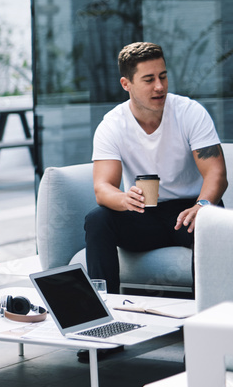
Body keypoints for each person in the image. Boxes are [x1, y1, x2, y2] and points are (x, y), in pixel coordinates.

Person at [85, 42, 227, 294]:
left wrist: (202, 205)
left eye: (163, 76)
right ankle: (106, 310)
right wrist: (123, 199)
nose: (159, 86)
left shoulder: (190, 112)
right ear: (126, 84)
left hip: (189, 211)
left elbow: (216, 173)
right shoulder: (112, 124)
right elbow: (102, 188)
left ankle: (202, 319)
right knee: (98, 219)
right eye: (149, 79)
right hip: (143, 214)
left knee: (209, 220)